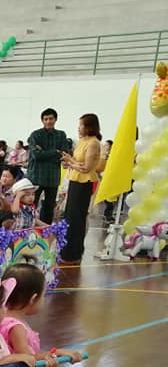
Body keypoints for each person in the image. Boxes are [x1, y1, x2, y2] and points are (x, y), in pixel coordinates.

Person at [59, 113, 103, 264]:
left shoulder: (93, 143)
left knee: (77, 218)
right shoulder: (82, 141)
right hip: (74, 180)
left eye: (81, 125)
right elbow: (77, 162)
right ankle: (66, 250)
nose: (79, 128)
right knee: (69, 217)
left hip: (85, 183)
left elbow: (86, 168)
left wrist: (70, 162)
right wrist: (68, 161)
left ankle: (74, 253)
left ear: (89, 126)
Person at [27, 107, 71, 224]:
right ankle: (29, 228)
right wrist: (55, 151)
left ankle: (45, 229)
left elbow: (64, 154)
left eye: (51, 118)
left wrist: (45, 152)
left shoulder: (61, 135)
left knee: (49, 207)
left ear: (55, 119)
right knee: (31, 204)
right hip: (36, 176)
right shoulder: (36, 135)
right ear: (42, 120)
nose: (48, 121)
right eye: (45, 119)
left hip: (53, 177)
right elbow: (36, 155)